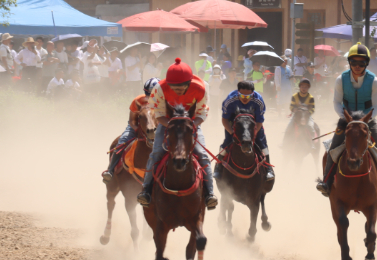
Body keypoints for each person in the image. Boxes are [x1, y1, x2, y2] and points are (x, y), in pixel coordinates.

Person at [136, 59, 218, 209]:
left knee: (202, 154)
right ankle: (146, 191)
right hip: (167, 123)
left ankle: (209, 194)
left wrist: (190, 126)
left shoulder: (200, 88)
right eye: (174, 88)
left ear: (189, 83)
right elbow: (158, 113)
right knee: (156, 153)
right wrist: (173, 126)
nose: (177, 92)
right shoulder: (160, 89)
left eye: (181, 89)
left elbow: (202, 112)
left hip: (191, 124)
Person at [316, 42, 377, 197]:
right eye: (354, 62)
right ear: (349, 62)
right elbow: (337, 103)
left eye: (361, 63)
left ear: (366, 63)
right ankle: (327, 182)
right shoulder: (340, 79)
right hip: (346, 119)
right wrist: (347, 119)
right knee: (333, 149)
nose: (357, 66)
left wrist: (364, 121)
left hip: (368, 119)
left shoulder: (374, 81)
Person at [102, 77, 160, 183]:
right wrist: (139, 131)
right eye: (148, 93)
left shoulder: (164, 102)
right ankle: (110, 171)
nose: (150, 96)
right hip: (138, 126)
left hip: (159, 127)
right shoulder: (138, 100)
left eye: (153, 94)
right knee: (122, 141)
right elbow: (132, 121)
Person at [214, 80, 274, 181]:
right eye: (242, 96)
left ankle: (268, 169)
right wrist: (232, 133)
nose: (245, 98)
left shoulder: (258, 100)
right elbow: (224, 120)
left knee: (262, 143)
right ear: (238, 93)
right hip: (234, 124)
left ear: (253, 94)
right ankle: (218, 167)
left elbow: (259, 121)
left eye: (248, 96)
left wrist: (254, 133)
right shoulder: (230, 100)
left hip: (253, 125)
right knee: (227, 143)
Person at [283, 78, 316, 148]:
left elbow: (312, 109)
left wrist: (308, 112)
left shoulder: (311, 97)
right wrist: (294, 110)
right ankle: (284, 143)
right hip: (296, 116)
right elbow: (291, 107)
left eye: (306, 87)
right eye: (302, 87)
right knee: (288, 127)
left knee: (311, 127)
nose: (304, 88)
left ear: (308, 88)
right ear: (300, 87)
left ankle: (312, 143)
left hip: (307, 117)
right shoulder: (294, 96)